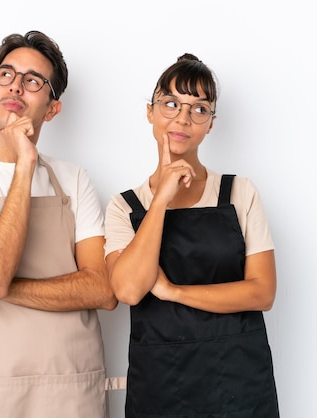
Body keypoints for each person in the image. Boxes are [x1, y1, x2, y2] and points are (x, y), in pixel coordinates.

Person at [0, 30, 118, 418]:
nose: (16, 85)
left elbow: (103, 290)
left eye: (33, 81)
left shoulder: (74, 179)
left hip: (72, 387)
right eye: (6, 74)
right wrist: (24, 166)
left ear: (52, 109)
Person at [104, 53, 280, 417]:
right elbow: (128, 289)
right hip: (160, 384)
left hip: (238, 381)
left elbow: (262, 292)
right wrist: (161, 200)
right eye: (171, 104)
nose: (183, 118)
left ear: (211, 124)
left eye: (199, 109)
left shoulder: (239, 192)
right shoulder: (124, 207)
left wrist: (174, 292)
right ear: (150, 112)